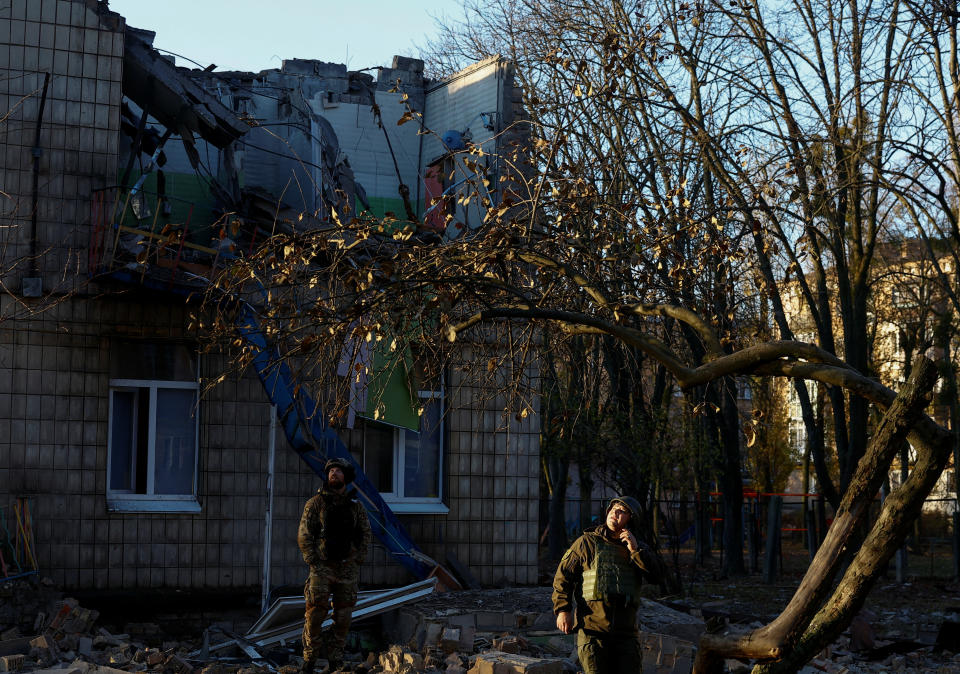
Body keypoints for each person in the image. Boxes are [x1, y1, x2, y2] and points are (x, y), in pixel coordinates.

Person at [552, 495, 663, 674]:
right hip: (592, 631)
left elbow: (657, 577)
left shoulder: (637, 548)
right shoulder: (586, 543)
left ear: (631, 518)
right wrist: (563, 610)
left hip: (626, 634)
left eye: (622, 511)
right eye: (613, 509)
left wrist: (635, 551)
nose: (615, 513)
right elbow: (562, 576)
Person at [298, 457, 372, 673]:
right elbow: (304, 534)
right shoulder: (316, 503)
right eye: (331, 470)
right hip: (322, 567)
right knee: (314, 615)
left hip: (347, 568)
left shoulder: (356, 507)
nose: (334, 473)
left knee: (343, 617)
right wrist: (313, 560)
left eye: (339, 471)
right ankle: (309, 660)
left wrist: (357, 558)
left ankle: (335, 660)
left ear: (346, 477)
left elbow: (365, 534)